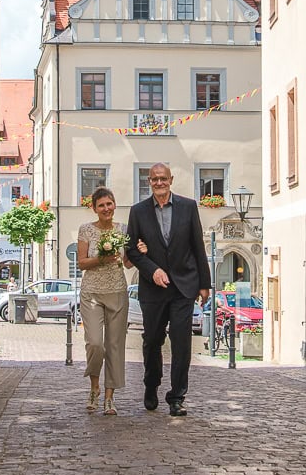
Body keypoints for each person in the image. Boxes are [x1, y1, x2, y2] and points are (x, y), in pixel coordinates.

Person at [126, 163, 211, 417]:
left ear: (171, 180)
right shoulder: (138, 212)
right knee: (152, 340)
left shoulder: (188, 207)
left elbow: (198, 246)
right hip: (153, 289)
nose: (159, 183)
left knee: (182, 341)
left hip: (183, 286)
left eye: (163, 178)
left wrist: (204, 284)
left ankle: (177, 397)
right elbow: (131, 251)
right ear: (149, 182)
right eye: (154, 179)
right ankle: (151, 384)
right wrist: (152, 270)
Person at [77, 187, 133, 416]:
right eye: (101, 205)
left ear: (114, 205)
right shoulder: (86, 230)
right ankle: (94, 387)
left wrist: (140, 252)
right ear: (94, 208)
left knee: (115, 346)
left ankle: (110, 397)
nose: (106, 208)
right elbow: (81, 263)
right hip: (91, 293)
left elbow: (127, 263)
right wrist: (102, 258)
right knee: (95, 343)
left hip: (117, 291)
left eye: (109, 204)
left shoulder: (123, 230)